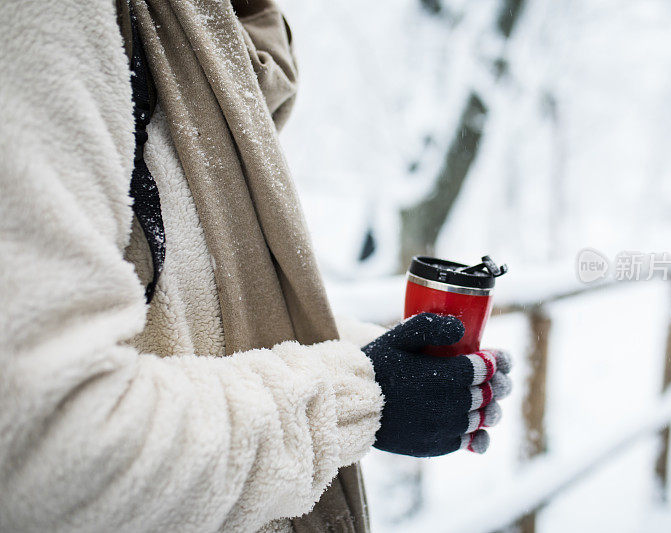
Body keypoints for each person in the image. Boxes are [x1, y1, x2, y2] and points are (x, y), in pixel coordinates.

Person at [0, 0, 512, 531]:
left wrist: (375, 358)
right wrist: (361, 395)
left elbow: (192, 310)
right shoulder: (55, 15)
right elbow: (48, 449)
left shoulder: (198, 34)